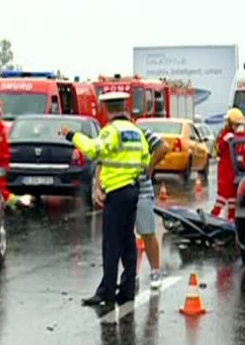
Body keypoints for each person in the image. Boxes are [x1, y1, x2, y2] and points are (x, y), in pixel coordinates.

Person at [62, 92, 151, 306]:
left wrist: (72, 136)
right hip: (132, 190)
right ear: (123, 107)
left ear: (107, 109)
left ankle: (107, 291)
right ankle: (127, 289)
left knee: (111, 244)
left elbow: (94, 149)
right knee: (128, 241)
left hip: (117, 192)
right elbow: (146, 159)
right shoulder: (136, 131)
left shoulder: (112, 131)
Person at [93, 104, 170, 290]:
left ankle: (155, 271)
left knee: (147, 232)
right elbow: (101, 162)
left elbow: (163, 147)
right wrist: (98, 187)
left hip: (141, 191)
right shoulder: (112, 136)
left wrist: (150, 167)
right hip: (117, 191)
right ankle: (130, 275)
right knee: (125, 237)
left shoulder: (140, 133)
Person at [211, 108, 245, 220]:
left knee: (232, 196)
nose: (237, 127)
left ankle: (231, 219)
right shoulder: (227, 135)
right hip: (225, 168)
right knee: (223, 195)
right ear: (230, 123)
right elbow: (219, 149)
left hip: (231, 169)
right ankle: (213, 216)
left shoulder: (230, 134)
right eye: (236, 124)